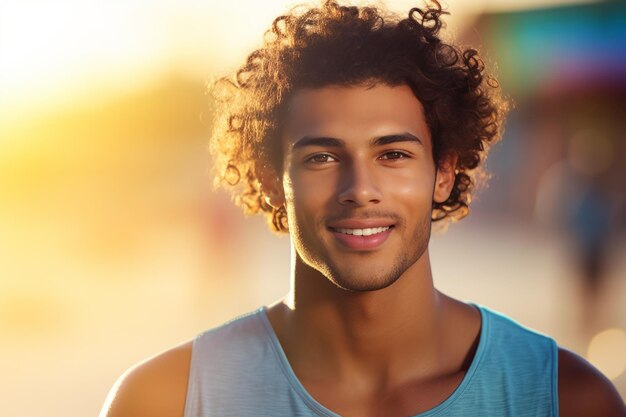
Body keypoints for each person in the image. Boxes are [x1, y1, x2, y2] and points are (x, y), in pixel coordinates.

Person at [99, 1, 626, 416]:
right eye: (322, 156)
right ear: (268, 176)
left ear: (444, 172)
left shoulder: (566, 400)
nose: (361, 188)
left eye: (393, 154)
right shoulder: (162, 403)